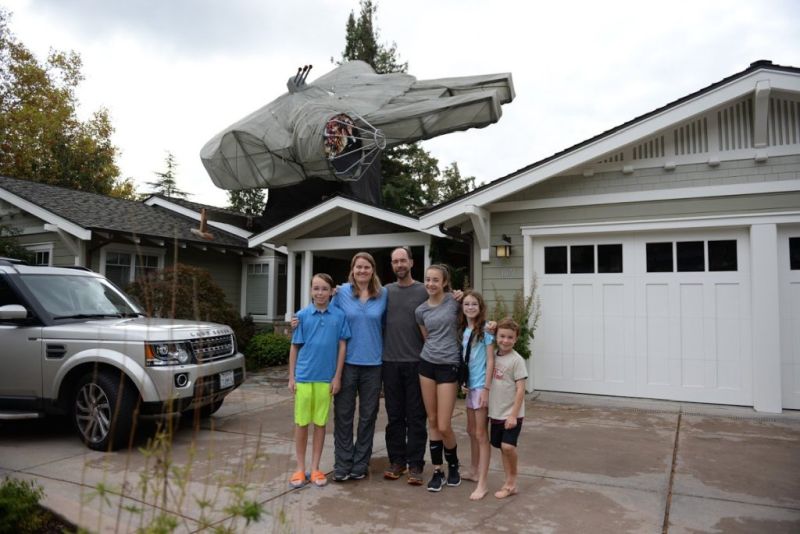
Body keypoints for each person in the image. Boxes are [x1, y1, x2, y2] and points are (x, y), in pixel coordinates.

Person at [287, 273, 350, 488]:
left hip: (326, 379)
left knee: (320, 423)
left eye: (324, 288)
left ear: (332, 291)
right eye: (315, 288)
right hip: (304, 377)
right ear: (310, 290)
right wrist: (291, 376)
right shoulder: (302, 316)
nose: (319, 293)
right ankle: (299, 467)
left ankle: (315, 468)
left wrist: (337, 376)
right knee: (302, 422)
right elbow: (295, 347)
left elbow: (342, 346)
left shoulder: (339, 316)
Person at [331, 252, 388, 481]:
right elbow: (325, 313)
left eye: (366, 267)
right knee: (343, 415)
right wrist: (298, 320)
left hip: (374, 364)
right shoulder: (341, 292)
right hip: (346, 364)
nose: (362, 271)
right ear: (352, 270)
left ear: (372, 270)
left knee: (368, 416)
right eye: (358, 267)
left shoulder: (383, 294)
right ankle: (342, 463)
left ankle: (360, 463)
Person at [381, 247, 429, 485]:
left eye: (403, 260)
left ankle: (416, 465)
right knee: (395, 417)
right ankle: (397, 461)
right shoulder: (385, 291)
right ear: (391, 265)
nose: (399, 264)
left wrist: (459, 295)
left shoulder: (423, 290)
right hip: (389, 363)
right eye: (395, 261)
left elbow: (445, 300)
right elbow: (358, 295)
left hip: (416, 363)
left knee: (416, 416)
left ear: (411, 262)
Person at [415, 264, 462, 492]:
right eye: (428, 279)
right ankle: (437, 470)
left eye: (436, 280)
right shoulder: (421, 310)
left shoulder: (455, 302)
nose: (431, 284)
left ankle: (454, 465)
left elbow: (474, 316)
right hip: (427, 365)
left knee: (444, 424)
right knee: (431, 421)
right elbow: (427, 337)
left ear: (444, 282)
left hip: (448, 366)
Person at [458, 290, 495, 500]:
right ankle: (473, 470)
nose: (470, 307)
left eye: (474, 304)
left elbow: (490, 360)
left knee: (481, 434)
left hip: (481, 386)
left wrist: (486, 389)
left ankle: (483, 482)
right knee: (471, 430)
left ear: (480, 307)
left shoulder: (486, 330)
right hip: (470, 386)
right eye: (466, 304)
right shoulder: (464, 329)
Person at [488, 318, 528, 499]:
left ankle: (511, 482)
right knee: (502, 448)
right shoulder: (492, 355)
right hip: (495, 412)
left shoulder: (517, 360)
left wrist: (513, 415)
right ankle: (509, 482)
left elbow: (521, 389)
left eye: (510, 337)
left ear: (516, 338)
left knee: (508, 447)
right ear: (496, 336)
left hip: (512, 414)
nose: (505, 340)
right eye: (502, 336)